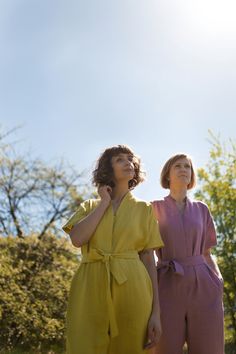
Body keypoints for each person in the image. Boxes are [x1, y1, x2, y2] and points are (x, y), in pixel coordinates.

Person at [62, 145, 164, 354]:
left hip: (133, 287)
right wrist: (104, 203)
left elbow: (148, 259)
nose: (128, 162)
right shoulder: (89, 206)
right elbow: (77, 239)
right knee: (84, 345)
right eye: (120, 159)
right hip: (90, 284)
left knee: (131, 347)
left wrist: (156, 313)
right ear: (108, 168)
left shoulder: (144, 209)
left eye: (130, 159)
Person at [152, 153, 224, 354]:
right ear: (167, 175)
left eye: (187, 166)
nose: (184, 169)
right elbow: (146, 252)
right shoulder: (153, 208)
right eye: (178, 166)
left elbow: (207, 252)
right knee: (163, 346)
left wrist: (218, 280)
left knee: (209, 347)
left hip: (204, 284)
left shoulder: (202, 209)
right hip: (166, 282)